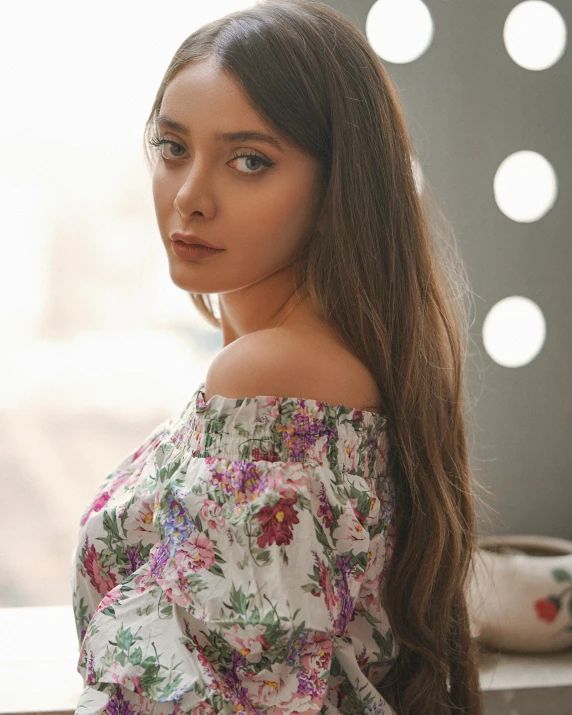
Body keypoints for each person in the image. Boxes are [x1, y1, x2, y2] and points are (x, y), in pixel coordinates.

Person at [71, 1, 485, 713]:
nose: (191, 196)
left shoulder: (272, 376)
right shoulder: (328, 360)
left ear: (337, 185)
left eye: (248, 161)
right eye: (173, 146)